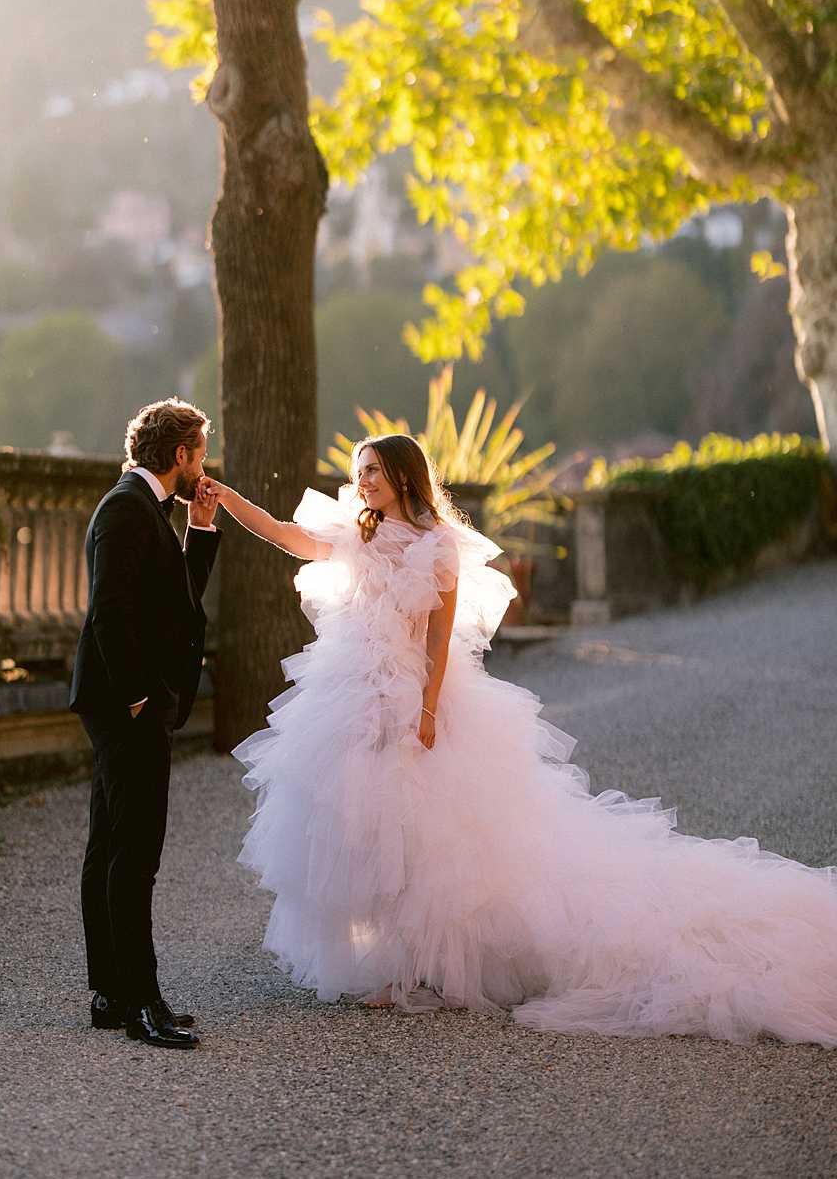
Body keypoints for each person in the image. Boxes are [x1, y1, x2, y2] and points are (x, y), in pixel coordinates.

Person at [200, 434, 837, 1045]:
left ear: (401, 478)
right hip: (349, 690)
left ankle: (424, 969)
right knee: (365, 822)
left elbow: (439, 639)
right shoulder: (354, 533)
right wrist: (227, 500)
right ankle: (396, 955)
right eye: (358, 470)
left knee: (427, 831)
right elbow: (287, 537)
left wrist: (425, 710)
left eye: (370, 470)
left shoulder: (437, 547)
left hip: (407, 695)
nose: (359, 480)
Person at [70, 397, 220, 1050]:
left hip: (116, 702)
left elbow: (170, 605)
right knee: (135, 855)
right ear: (181, 454)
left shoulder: (145, 508)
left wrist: (203, 529)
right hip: (121, 706)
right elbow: (108, 613)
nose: (204, 466)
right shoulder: (125, 509)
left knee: (109, 845)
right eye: (201, 454)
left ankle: (110, 992)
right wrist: (137, 700)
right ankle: (140, 1003)